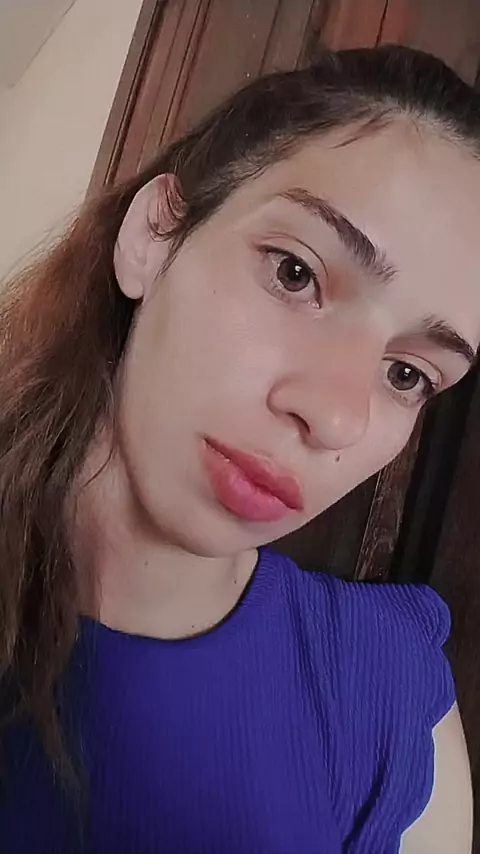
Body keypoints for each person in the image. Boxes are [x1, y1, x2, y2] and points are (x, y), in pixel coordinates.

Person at [0, 43, 476, 854]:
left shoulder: (391, 701)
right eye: (295, 273)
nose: (335, 417)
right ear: (154, 236)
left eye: (407, 374)